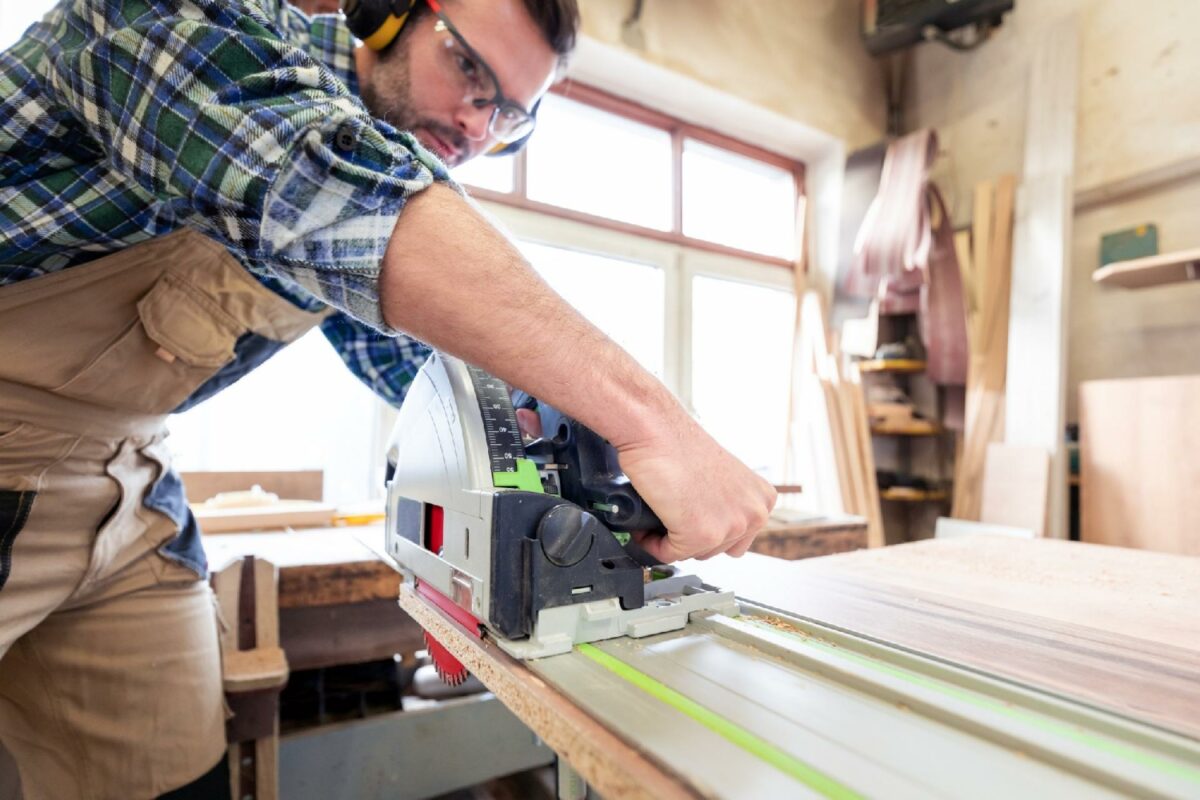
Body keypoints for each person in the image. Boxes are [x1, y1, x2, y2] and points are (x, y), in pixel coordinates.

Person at [0, 0, 776, 796]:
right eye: (470, 68)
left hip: (125, 477)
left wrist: (586, 456)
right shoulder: (196, 24)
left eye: (510, 114)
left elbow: (423, 367)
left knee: (174, 781)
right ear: (383, 14)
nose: (480, 127)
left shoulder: (373, 182)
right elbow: (333, 191)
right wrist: (653, 423)